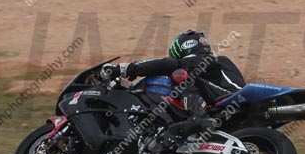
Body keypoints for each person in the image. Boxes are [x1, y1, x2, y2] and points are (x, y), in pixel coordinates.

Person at [100, 30, 245, 136]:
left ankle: (199, 117)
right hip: (226, 105)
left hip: (229, 99)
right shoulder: (211, 66)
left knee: (180, 75)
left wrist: (127, 69)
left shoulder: (205, 60)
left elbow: (169, 64)